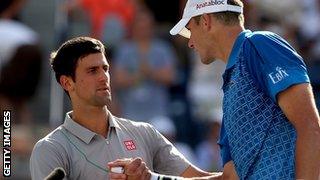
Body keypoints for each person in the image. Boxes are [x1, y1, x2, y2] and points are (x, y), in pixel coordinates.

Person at [109, 0, 320, 179]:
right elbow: (228, 177)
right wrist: (151, 177)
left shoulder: (259, 44)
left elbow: (310, 126)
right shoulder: (229, 90)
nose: (190, 42)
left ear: (206, 21)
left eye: (190, 30)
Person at [29, 37, 221, 180]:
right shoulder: (50, 149)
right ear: (67, 82)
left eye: (105, 69)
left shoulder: (144, 132)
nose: (104, 77)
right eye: (92, 71)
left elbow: (199, 178)